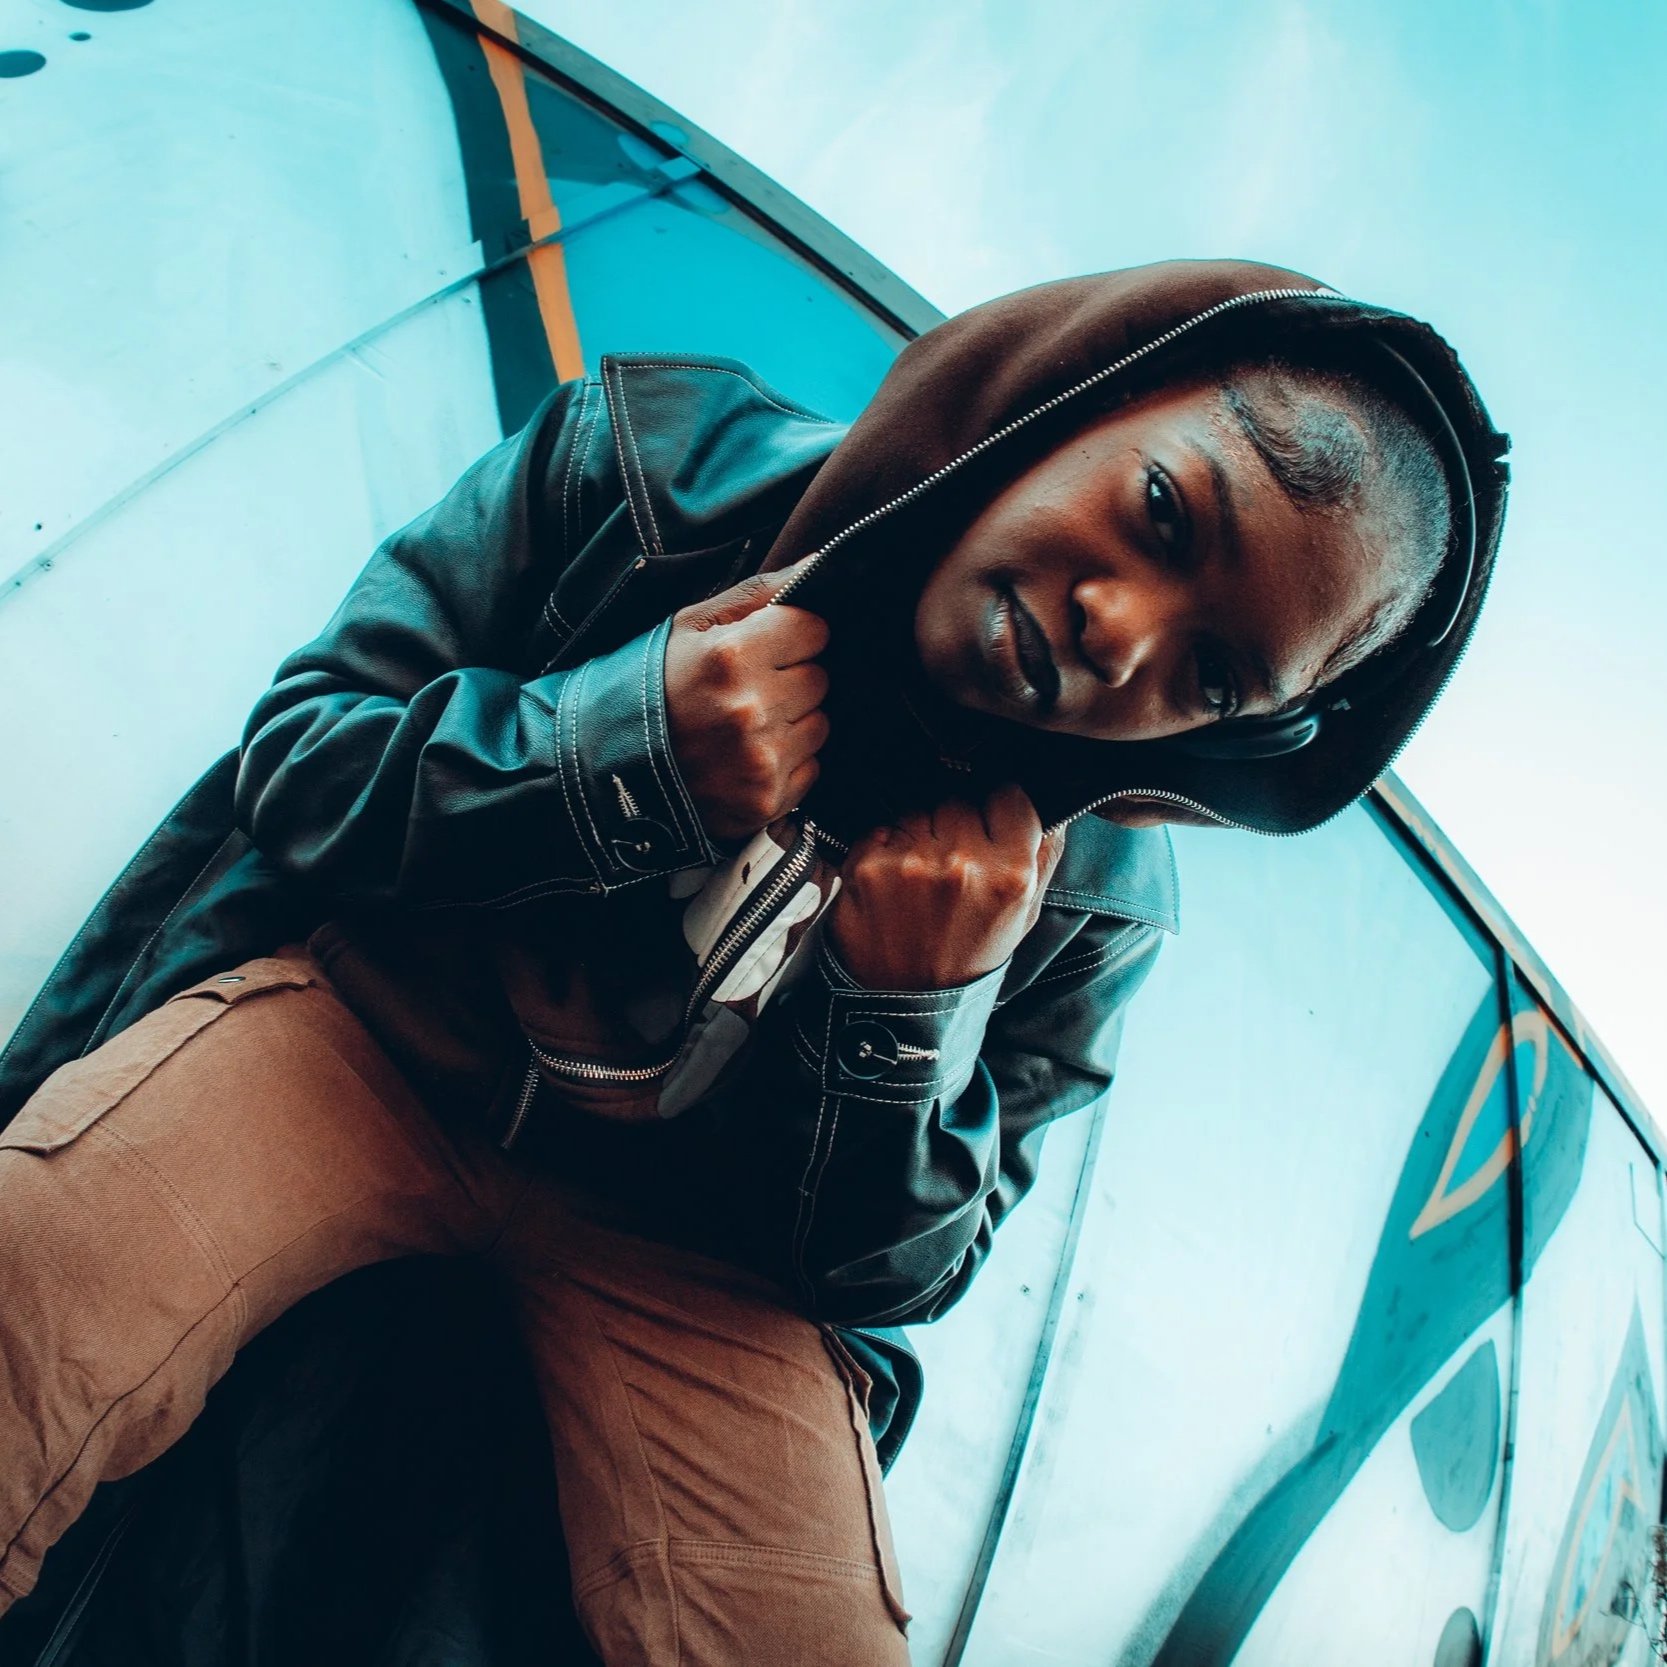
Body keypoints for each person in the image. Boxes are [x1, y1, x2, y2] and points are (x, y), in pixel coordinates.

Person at [0, 259, 1508, 1662]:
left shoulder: (1095, 906)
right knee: (36, 1289)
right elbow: (305, 761)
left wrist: (909, 1018)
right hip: (382, 1046)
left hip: (697, 1263)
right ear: (1080, 398)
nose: (1121, 636)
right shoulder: (645, 469)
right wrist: (620, 746)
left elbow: (900, 1274)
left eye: (1216, 678)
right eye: (1166, 513)